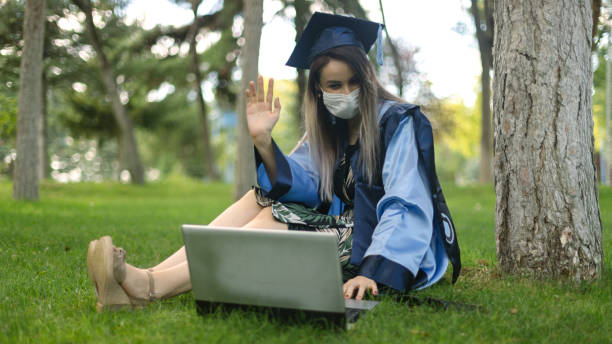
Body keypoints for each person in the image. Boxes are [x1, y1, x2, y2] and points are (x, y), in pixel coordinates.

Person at [87, 12, 460, 312]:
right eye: (334, 85)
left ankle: (149, 288)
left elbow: (406, 202)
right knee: (262, 200)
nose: (346, 92)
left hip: (385, 247)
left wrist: (377, 270)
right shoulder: (330, 129)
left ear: (368, 76)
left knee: (276, 218)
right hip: (343, 230)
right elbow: (299, 184)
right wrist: (264, 142)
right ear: (318, 89)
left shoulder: (398, 121)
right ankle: (146, 278)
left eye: (353, 81)